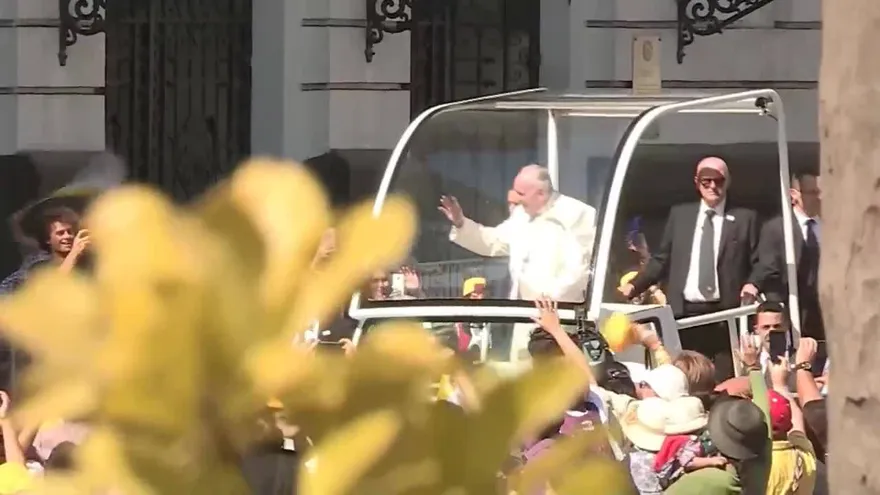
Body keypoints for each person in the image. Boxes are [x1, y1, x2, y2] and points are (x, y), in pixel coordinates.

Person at [619, 157, 763, 381]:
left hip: (723, 316)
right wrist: (635, 285)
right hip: (684, 313)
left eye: (719, 181)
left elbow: (761, 260)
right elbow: (662, 259)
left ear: (728, 182)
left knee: (723, 378)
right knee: (685, 377)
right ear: (697, 182)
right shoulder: (681, 215)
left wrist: (753, 283)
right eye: (706, 181)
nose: (713, 186)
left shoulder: (746, 218)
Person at [438, 164, 596, 360]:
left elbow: (580, 271)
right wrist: (461, 222)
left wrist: (547, 304)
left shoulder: (578, 215)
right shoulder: (522, 216)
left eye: (521, 193)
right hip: (524, 316)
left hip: (560, 319)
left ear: (540, 193)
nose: (516, 198)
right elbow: (494, 242)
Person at [755, 172, 825, 372]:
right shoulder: (776, 229)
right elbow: (769, 269)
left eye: (821, 192)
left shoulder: (831, 227)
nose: (819, 197)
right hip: (794, 313)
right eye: (813, 192)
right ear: (794, 195)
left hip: (826, 313)